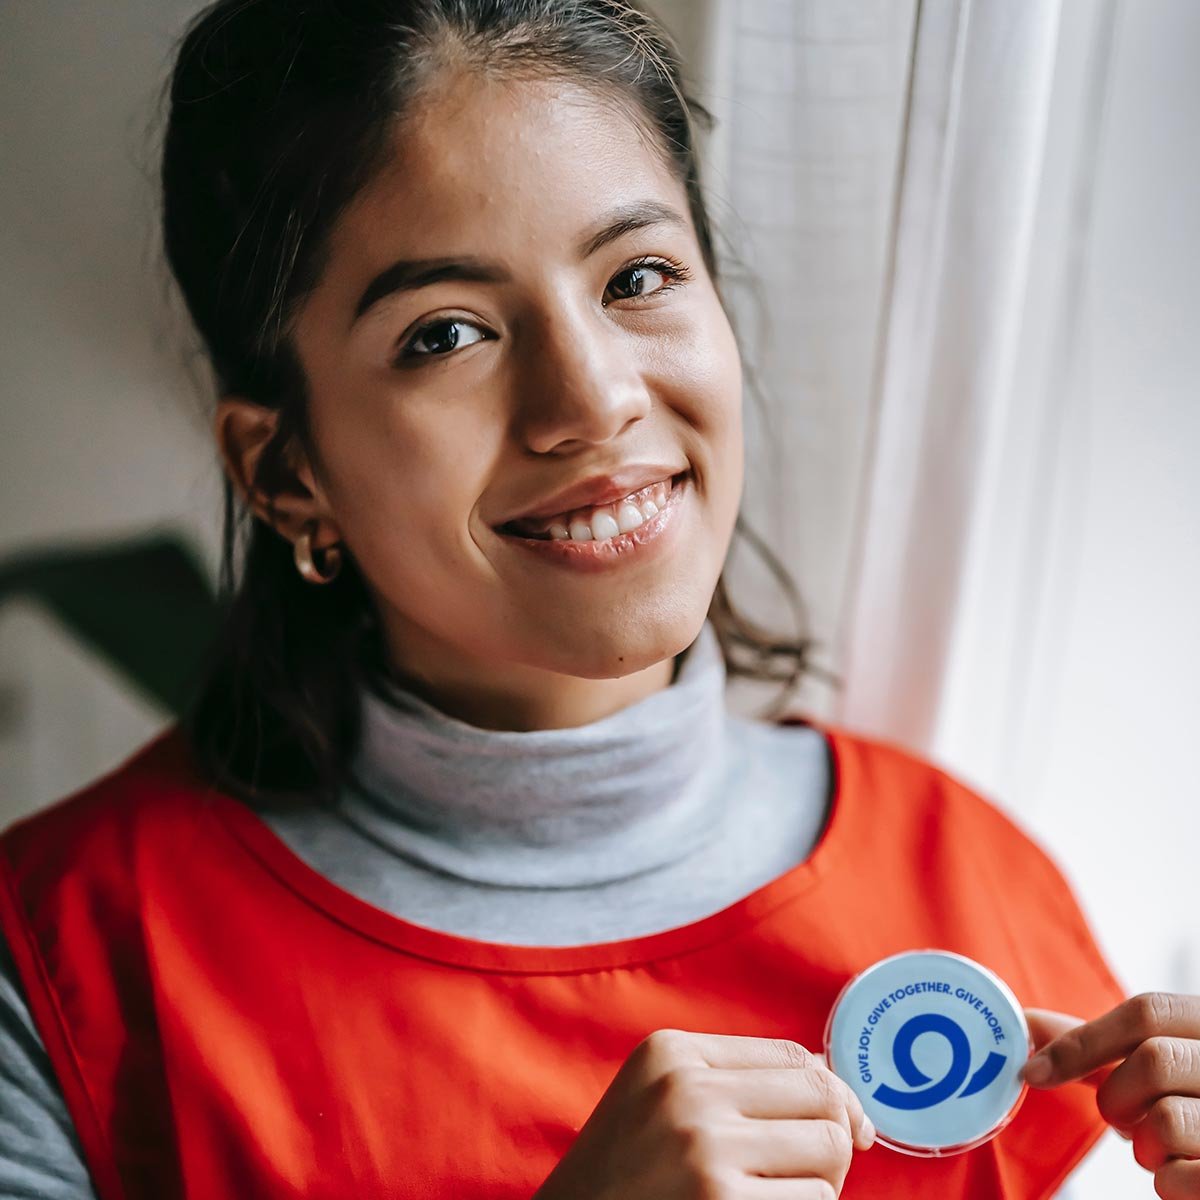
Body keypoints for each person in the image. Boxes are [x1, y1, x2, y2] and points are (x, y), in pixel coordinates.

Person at [1, 1, 1197, 1197]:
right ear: (285, 471)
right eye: (447, 333)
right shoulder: (60, 966)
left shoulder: (976, 882)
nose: (592, 398)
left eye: (638, 276)